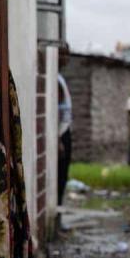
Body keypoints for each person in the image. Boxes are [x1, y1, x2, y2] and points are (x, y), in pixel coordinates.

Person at [57, 74, 72, 206]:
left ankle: (59, 207)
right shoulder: (56, 80)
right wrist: (58, 140)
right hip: (61, 134)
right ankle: (57, 208)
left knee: (62, 176)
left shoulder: (60, 78)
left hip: (64, 130)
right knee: (60, 176)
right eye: (61, 53)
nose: (64, 58)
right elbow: (56, 111)